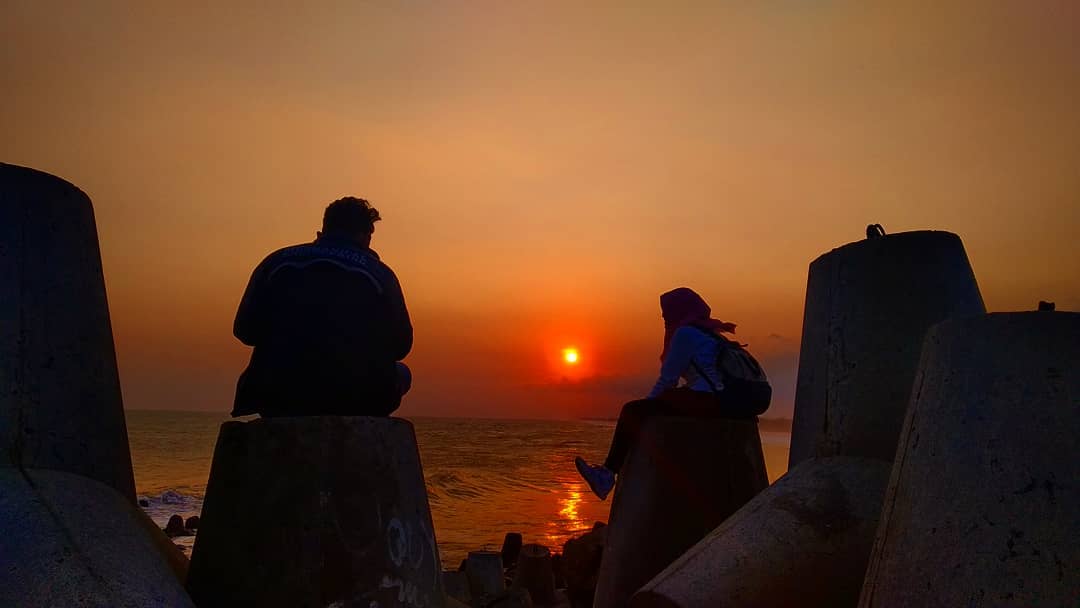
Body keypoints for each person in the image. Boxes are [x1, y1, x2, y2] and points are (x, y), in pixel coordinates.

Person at [574, 287, 769, 500]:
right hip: (740, 400)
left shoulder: (685, 333)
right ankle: (607, 474)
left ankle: (606, 475)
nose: (666, 320)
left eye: (668, 314)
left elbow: (668, 380)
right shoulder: (710, 333)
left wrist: (645, 409)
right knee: (662, 402)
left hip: (715, 400)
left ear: (679, 311)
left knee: (632, 410)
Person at [231, 196, 413, 417]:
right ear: (366, 236)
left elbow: (244, 331)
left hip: (275, 394)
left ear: (325, 227)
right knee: (402, 374)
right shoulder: (380, 274)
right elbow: (402, 345)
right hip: (357, 398)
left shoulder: (275, 262)